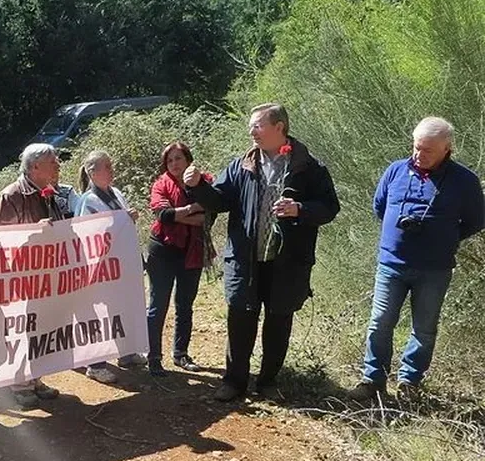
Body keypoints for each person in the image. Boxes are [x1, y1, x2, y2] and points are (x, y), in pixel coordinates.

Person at [185, 103, 340, 401]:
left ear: (279, 127)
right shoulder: (242, 164)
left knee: (279, 321)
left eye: (258, 125)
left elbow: (330, 207)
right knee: (240, 319)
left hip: (287, 263)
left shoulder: (308, 167)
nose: (251, 131)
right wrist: (197, 187)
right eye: (251, 126)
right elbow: (219, 200)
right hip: (246, 260)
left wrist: (300, 209)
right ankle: (234, 382)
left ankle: (268, 381)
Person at [348, 117, 484, 403]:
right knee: (380, 323)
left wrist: (445, 237)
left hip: (434, 268)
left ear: (447, 148)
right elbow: (380, 207)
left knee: (424, 327)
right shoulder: (396, 171)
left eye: (427, 151)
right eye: (416, 147)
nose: (419, 155)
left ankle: (410, 383)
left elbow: (475, 221)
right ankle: (372, 380)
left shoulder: (465, 181)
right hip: (391, 264)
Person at [0, 143, 67, 408]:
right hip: (20, 277)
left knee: (41, 327)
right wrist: (33, 230)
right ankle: (17, 383)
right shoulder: (11, 195)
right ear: (35, 167)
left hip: (45, 276)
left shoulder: (49, 193)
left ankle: (35, 378)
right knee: (21, 330)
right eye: (52, 161)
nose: (57, 165)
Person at [74, 150, 147, 384]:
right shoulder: (88, 200)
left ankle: (125, 353)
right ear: (92, 173)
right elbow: (88, 234)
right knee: (100, 316)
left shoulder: (116, 193)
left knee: (122, 308)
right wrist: (119, 221)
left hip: (120, 265)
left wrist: (128, 218)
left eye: (111, 166)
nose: (111, 170)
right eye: (107, 166)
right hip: (100, 268)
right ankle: (95, 364)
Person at [146, 142, 213, 377]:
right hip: (162, 251)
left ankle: (181, 354)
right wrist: (193, 209)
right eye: (170, 160)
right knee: (158, 305)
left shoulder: (202, 182)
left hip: (191, 251)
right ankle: (153, 357)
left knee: (185, 305)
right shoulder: (160, 185)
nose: (174, 164)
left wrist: (179, 214)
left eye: (179, 159)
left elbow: (209, 214)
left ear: (188, 160)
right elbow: (163, 215)